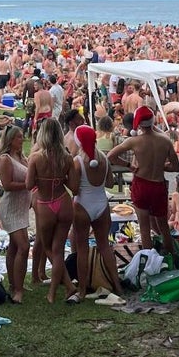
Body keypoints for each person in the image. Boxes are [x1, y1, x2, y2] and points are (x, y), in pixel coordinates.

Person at [107, 107, 179, 256]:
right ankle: (173, 257)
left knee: (144, 227)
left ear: (138, 124)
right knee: (163, 226)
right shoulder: (165, 141)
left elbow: (111, 156)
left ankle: (149, 261)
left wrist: (129, 165)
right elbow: (175, 167)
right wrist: (161, 165)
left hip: (142, 183)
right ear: (153, 122)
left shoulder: (134, 141)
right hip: (158, 184)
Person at [26, 118, 79, 304]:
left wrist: (44, 180)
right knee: (58, 250)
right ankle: (61, 289)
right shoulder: (66, 157)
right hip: (63, 202)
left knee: (49, 249)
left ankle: (56, 291)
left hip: (45, 203)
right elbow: (75, 187)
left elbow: (29, 184)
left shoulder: (36, 158)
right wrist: (60, 179)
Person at [69, 124, 121, 300]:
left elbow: (75, 190)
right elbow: (110, 183)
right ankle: (117, 285)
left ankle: (82, 290)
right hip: (101, 204)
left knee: (82, 249)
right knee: (104, 246)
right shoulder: (104, 159)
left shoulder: (77, 162)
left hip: (82, 205)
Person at [0, 125, 31, 304]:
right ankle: (17, 289)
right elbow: (7, 185)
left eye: (22, 137)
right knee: (23, 247)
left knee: (15, 246)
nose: (22, 140)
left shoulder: (22, 157)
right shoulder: (5, 159)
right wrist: (28, 184)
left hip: (22, 207)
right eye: (18, 137)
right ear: (10, 139)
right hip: (10, 208)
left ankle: (15, 282)